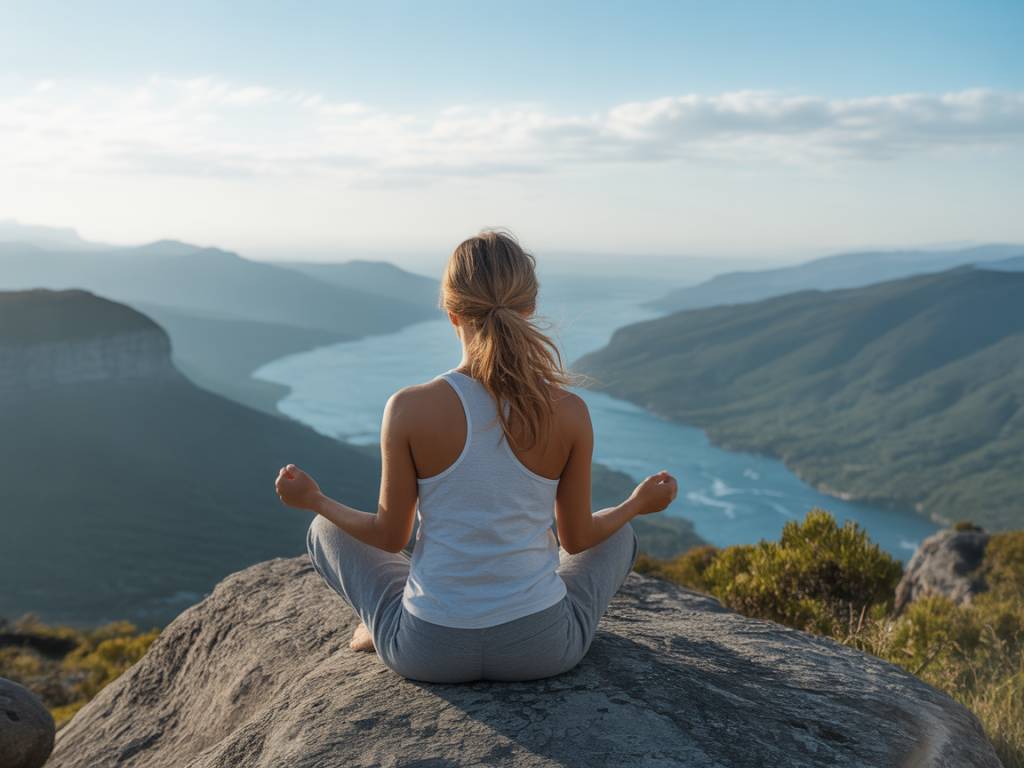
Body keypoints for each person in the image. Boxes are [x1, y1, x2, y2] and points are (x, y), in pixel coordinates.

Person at [274, 229, 678, 683]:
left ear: (452, 313)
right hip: (543, 650)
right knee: (620, 534)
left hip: (427, 651)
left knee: (323, 528)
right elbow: (579, 538)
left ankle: (383, 622)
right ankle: (409, 618)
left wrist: (314, 499)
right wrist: (638, 505)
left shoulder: (409, 407)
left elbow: (390, 536)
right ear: (529, 310)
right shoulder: (569, 411)